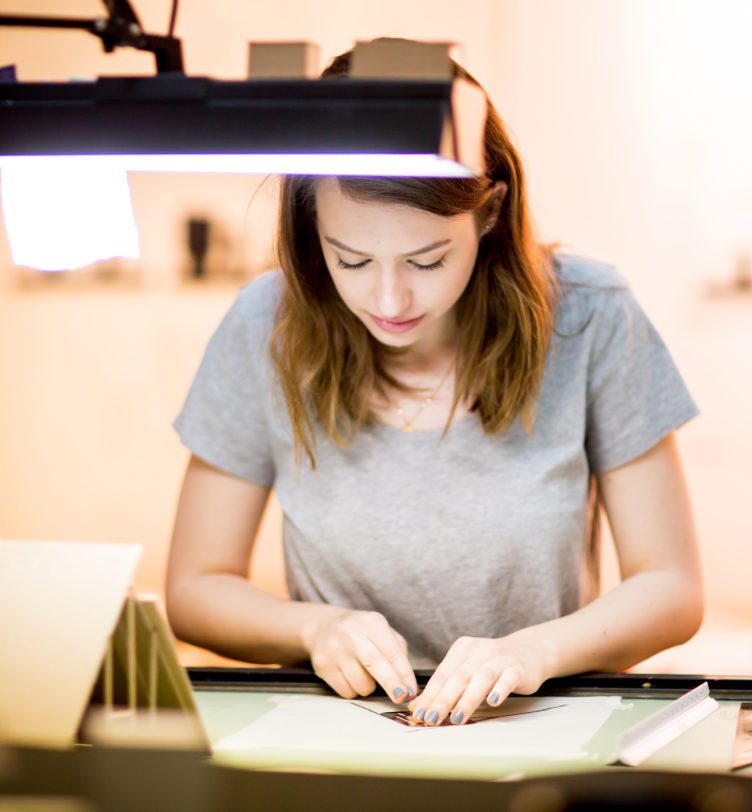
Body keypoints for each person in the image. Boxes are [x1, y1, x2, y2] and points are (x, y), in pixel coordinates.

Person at [166, 46, 703, 729]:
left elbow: (672, 587)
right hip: (338, 735)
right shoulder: (262, 326)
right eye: (351, 259)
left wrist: (532, 652)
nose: (389, 297)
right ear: (311, 234)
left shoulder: (593, 315)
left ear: (489, 213)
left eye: (427, 259)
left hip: (539, 727)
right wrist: (312, 630)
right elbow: (195, 588)